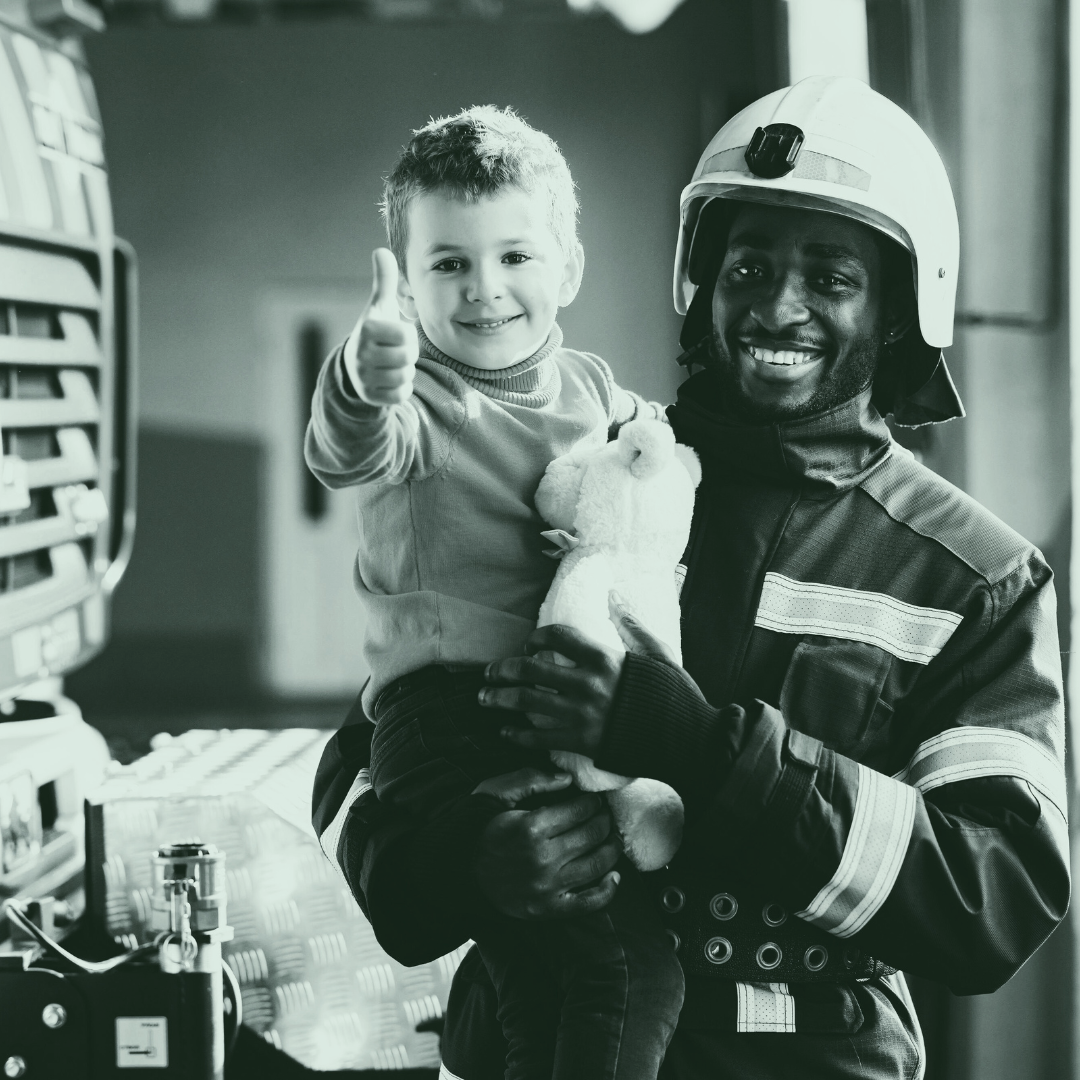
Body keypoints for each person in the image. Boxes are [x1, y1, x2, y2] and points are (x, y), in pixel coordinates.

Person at [313, 78, 1070, 1080]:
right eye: (748, 265)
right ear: (703, 282)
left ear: (898, 307)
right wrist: (458, 864)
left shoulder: (972, 576)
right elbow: (370, 742)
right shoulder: (605, 477)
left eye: (832, 279)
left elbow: (997, 900)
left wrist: (705, 752)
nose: (778, 305)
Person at [305, 106, 684, 1080]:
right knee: (627, 973)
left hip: (552, 719)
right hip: (450, 722)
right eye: (448, 265)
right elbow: (348, 448)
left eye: (515, 256)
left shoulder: (593, 389)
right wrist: (362, 373)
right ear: (408, 279)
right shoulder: (420, 404)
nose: (485, 291)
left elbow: (670, 468)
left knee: (541, 988)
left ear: (570, 267)